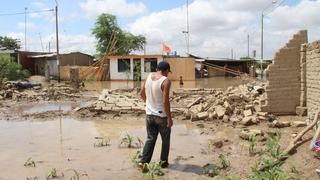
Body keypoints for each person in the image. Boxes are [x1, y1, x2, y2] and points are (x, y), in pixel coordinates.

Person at [139, 61, 172, 170]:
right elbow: (165, 101)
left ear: (157, 69)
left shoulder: (148, 76)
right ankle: (163, 164)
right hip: (161, 116)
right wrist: (169, 118)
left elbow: (141, 92)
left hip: (149, 114)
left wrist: (148, 103)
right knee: (165, 141)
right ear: (166, 71)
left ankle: (144, 162)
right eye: (168, 72)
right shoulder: (166, 81)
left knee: (150, 138)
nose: (168, 74)